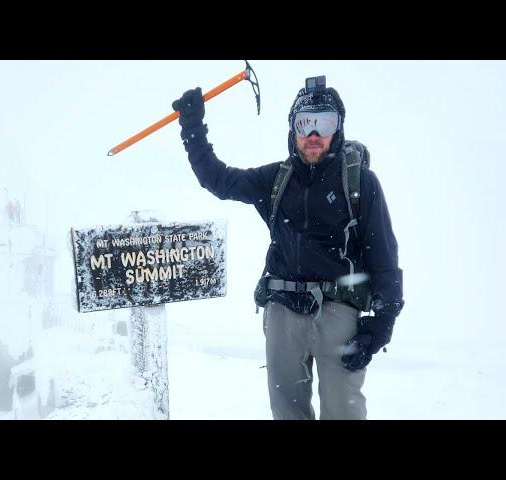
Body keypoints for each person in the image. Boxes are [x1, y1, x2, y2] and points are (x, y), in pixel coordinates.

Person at [171, 76, 404, 420]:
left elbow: (383, 257)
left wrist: (381, 324)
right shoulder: (276, 180)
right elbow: (218, 179)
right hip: (283, 311)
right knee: (287, 413)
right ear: (293, 129)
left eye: (324, 123)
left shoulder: (359, 183)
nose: (313, 134)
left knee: (343, 412)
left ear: (337, 129)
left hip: (339, 312)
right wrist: (192, 128)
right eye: (304, 123)